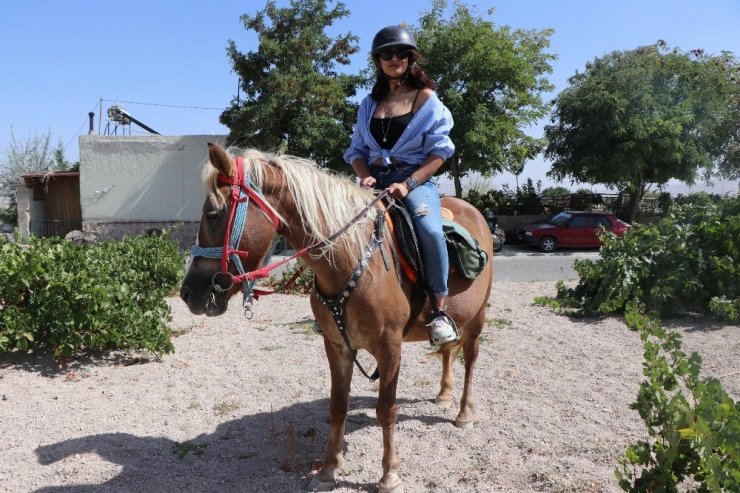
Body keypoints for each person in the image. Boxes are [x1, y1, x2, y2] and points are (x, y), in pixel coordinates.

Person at [343, 25, 457, 345]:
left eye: (400, 53)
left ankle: (438, 310)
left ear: (410, 58)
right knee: (335, 225)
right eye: (386, 54)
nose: (394, 59)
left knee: (430, 229)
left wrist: (407, 184)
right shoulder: (368, 104)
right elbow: (356, 152)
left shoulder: (426, 98)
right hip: (374, 182)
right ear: (378, 61)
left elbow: (440, 152)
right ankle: (333, 306)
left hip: (415, 180)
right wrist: (364, 174)